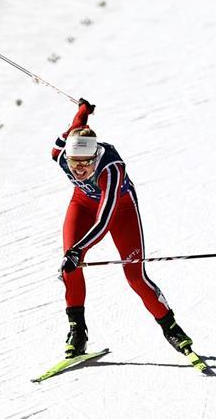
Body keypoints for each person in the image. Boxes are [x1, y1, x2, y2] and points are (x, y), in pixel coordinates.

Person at [52, 98, 196, 359]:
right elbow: (76, 127)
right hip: (82, 205)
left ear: (96, 155)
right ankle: (77, 331)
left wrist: (79, 249)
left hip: (120, 210)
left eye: (86, 163)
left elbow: (105, 219)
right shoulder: (61, 154)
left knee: (134, 276)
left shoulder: (112, 168)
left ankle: (171, 328)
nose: (80, 169)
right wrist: (83, 111)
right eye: (75, 164)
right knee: (69, 265)